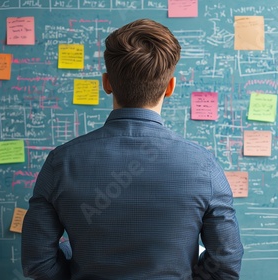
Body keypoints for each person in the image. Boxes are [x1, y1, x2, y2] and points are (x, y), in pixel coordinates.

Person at [21, 18, 243, 280]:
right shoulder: (204, 166)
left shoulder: (61, 162)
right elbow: (226, 262)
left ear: (106, 83)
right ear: (170, 87)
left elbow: (37, 261)